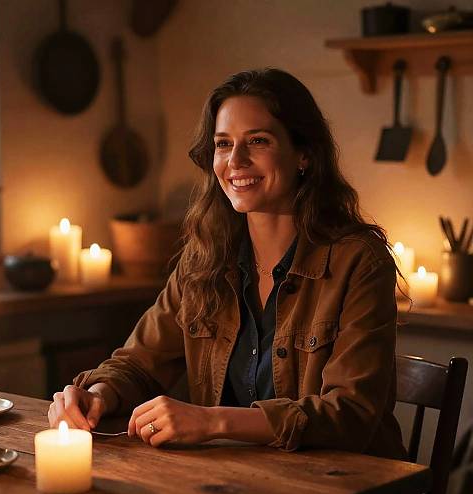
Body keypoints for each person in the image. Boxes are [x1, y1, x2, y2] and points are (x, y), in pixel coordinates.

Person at [49, 68, 407, 460]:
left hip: (349, 493)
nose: (236, 160)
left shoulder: (359, 259)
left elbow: (351, 415)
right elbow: (138, 364)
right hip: (237, 485)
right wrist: (97, 395)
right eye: (223, 143)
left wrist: (210, 421)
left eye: (258, 140)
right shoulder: (205, 257)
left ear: (304, 154)